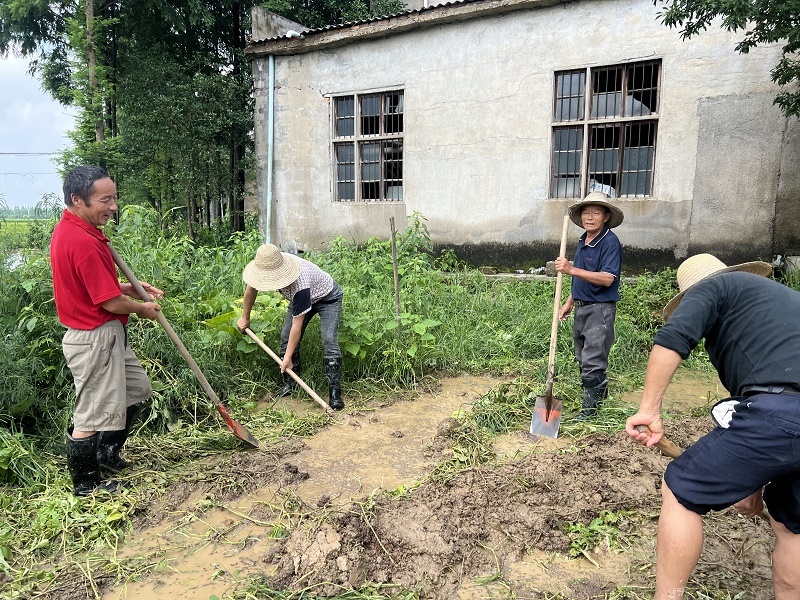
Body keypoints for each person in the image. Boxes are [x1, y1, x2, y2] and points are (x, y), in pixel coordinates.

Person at [626, 253, 800, 600]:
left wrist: (649, 410)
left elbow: (671, 339)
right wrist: (750, 484)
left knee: (680, 490)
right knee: (792, 526)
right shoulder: (779, 305)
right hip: (780, 417)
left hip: (779, 411)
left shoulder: (715, 287)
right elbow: (763, 420)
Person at [50, 165, 164, 496]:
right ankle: (86, 483)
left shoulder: (82, 230)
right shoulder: (80, 239)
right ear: (77, 199)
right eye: (105, 200)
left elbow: (96, 287)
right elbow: (109, 304)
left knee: (137, 389)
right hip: (94, 338)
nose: (113, 206)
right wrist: (141, 309)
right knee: (90, 414)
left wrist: (127, 288)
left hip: (106, 333)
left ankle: (107, 454)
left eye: (114, 198)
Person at [237, 244, 345, 410]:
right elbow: (251, 289)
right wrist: (245, 317)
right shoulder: (270, 261)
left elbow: (297, 326)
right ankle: (290, 385)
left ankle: (334, 393)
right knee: (285, 338)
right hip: (300, 299)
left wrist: (287, 358)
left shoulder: (299, 281)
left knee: (329, 339)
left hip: (327, 297)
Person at [555, 191, 624, 419]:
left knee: (593, 358)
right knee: (582, 355)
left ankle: (590, 411)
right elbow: (581, 276)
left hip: (600, 309)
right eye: (586, 213)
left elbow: (607, 278)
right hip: (582, 306)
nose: (590, 217)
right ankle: (599, 391)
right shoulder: (583, 240)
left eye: (596, 213)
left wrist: (570, 269)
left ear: (606, 216)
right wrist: (569, 301)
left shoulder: (610, 242)